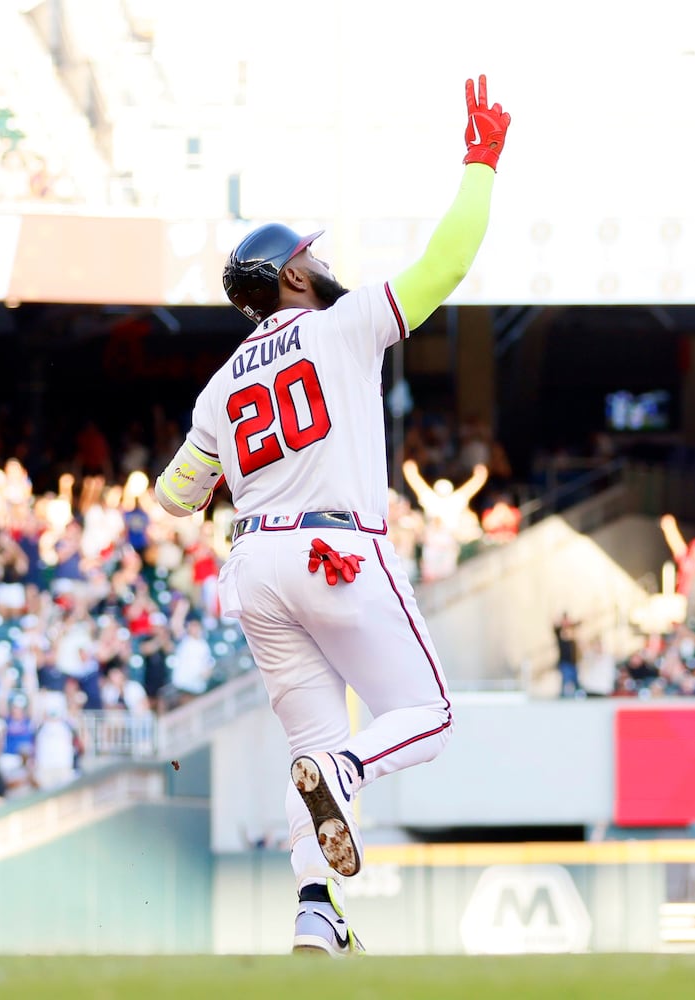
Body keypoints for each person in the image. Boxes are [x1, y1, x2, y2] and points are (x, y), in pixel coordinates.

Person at [153, 74, 511, 958]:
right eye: (306, 253)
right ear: (291, 275)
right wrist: (481, 163)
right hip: (336, 550)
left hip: (256, 567)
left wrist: (233, 480)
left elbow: (175, 496)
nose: (319, 258)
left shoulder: (217, 385)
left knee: (310, 736)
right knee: (425, 716)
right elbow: (448, 265)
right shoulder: (341, 325)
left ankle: (316, 905)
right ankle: (345, 773)